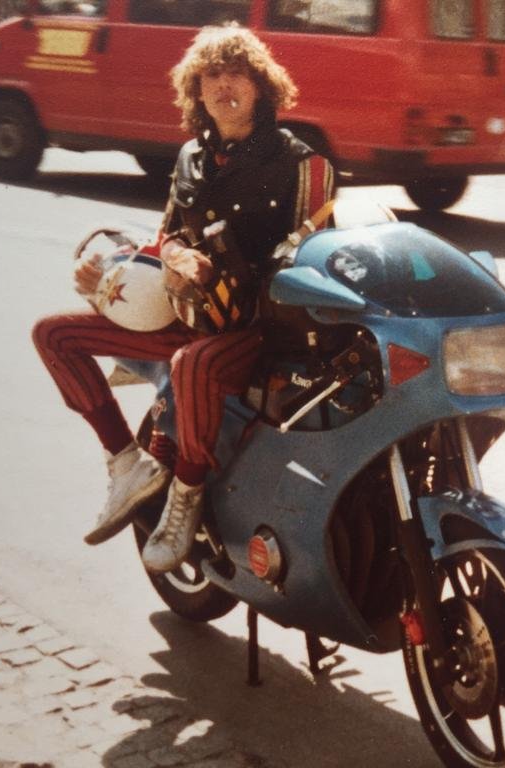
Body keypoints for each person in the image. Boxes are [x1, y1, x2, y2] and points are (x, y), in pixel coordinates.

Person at [32, 24, 335, 573]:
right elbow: (167, 234)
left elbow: (319, 256)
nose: (223, 86)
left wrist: (237, 278)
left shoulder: (302, 163)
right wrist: (119, 274)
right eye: (210, 75)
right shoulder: (191, 157)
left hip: (256, 331)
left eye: (236, 73)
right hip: (185, 314)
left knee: (191, 365)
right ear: (195, 89)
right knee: (53, 334)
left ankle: (186, 497)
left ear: (262, 84)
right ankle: (127, 462)